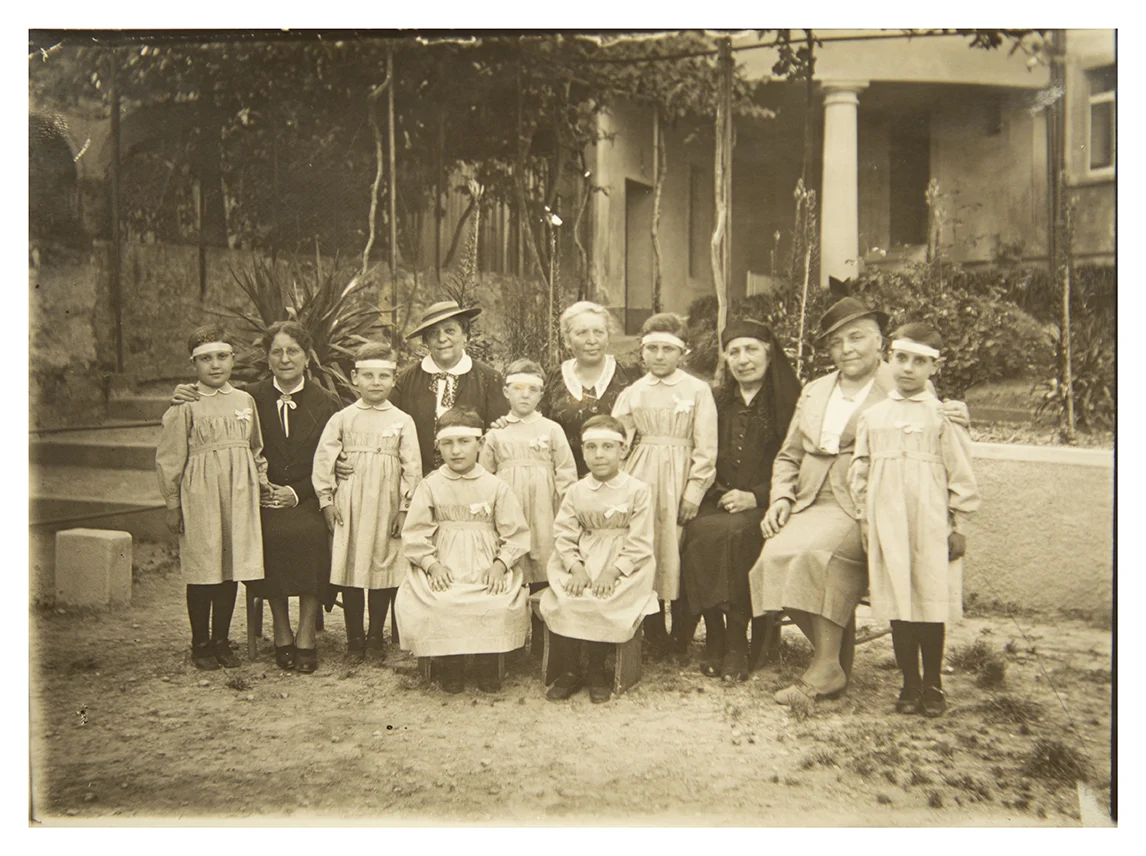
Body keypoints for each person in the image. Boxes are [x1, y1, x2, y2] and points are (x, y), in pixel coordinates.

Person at [749, 296, 970, 705]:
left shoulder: (901, 382)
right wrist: (780, 496)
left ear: (880, 341)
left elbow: (936, 433)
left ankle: (826, 667)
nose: (846, 349)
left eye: (856, 338)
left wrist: (959, 417)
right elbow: (789, 454)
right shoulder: (816, 389)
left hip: (869, 504)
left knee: (818, 556)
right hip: (810, 500)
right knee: (772, 558)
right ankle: (831, 655)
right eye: (836, 343)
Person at [171, 321, 341, 674]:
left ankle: (306, 631)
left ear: (308, 357)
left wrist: (296, 492)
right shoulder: (250, 397)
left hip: (305, 497)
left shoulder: (326, 402)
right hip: (256, 499)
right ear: (267, 358)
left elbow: (334, 458)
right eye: (276, 352)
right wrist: (181, 392)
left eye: (293, 351)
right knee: (266, 536)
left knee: (312, 534)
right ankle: (281, 627)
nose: (285, 359)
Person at [849, 323, 981, 717]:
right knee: (900, 605)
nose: (908, 368)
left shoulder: (942, 417)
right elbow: (860, 472)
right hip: (887, 522)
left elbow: (960, 473)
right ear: (888, 359)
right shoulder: (873, 416)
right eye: (901, 358)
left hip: (931, 523)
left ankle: (934, 683)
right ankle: (909, 682)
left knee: (930, 602)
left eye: (919, 361)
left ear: (934, 368)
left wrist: (959, 526)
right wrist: (865, 519)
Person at [680, 319, 800, 682]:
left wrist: (757, 496)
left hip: (767, 503)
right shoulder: (717, 400)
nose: (743, 359)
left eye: (751, 350)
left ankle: (736, 641)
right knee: (700, 531)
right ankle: (714, 636)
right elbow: (702, 450)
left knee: (738, 535)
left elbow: (797, 461)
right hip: (720, 497)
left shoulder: (790, 402)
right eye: (734, 352)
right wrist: (715, 493)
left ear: (769, 354)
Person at [395, 407, 531, 694]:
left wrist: (500, 565)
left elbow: (515, 534)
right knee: (440, 601)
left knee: (495, 601)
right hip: (445, 563)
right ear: (438, 446)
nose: (456, 451)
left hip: (486, 565)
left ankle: (487, 665)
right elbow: (415, 533)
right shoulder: (430, 485)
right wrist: (432, 565)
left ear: (479, 444)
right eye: (447, 443)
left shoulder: (495, 486)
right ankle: (451, 665)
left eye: (464, 442)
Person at [156, 325, 268, 670]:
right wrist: (172, 503)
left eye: (222, 356)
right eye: (206, 359)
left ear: (233, 359)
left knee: (229, 569)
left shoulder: (245, 400)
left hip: (239, 494)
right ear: (194, 364)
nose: (215, 365)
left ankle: (221, 639)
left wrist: (262, 482)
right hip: (202, 495)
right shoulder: (185, 405)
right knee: (204, 568)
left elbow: (255, 448)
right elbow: (170, 457)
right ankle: (200, 643)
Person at [612, 313, 718, 657]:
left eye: (667, 349)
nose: (659, 356)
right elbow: (617, 441)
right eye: (652, 348)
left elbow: (706, 447)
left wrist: (694, 491)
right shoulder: (633, 392)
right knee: (648, 548)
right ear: (642, 352)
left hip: (680, 474)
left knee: (680, 549)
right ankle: (654, 633)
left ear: (682, 352)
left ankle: (682, 635)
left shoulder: (697, 390)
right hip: (642, 475)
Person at [311, 342, 421, 663]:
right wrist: (326, 500)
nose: (376, 383)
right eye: (368, 376)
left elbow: (412, 468)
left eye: (383, 376)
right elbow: (324, 460)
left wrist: (404, 508)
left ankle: (375, 637)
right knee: (352, 568)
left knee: (381, 568)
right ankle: (354, 639)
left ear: (394, 379)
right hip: (350, 505)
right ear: (354, 378)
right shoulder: (343, 418)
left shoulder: (403, 420)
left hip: (386, 505)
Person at [539, 415, 658, 703]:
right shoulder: (576, 491)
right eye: (591, 447)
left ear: (623, 450)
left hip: (624, 564)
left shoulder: (637, 490)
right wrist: (576, 569)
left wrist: (613, 572)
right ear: (583, 452)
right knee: (569, 596)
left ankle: (596, 670)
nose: (599, 454)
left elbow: (640, 542)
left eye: (608, 446)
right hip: (582, 559)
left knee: (604, 599)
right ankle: (570, 670)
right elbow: (564, 534)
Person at [479, 359, 577, 650]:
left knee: (543, 568)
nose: (525, 395)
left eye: (532, 389)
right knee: (511, 566)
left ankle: (542, 641)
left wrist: (565, 512)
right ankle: (510, 638)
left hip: (545, 510)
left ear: (541, 394)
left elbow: (566, 472)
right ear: (506, 392)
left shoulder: (552, 430)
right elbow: (484, 477)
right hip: (509, 510)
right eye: (518, 388)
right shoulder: (496, 433)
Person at [391, 300, 509, 476]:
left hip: (473, 480)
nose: (442, 339)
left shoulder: (489, 379)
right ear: (426, 341)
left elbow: (498, 435)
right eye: (433, 333)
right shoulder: (407, 380)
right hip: (420, 480)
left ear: (465, 335)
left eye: (450, 330)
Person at [542, 301, 636, 476]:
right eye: (582, 333)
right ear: (568, 340)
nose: (592, 340)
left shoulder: (629, 376)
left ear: (608, 337)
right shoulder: (555, 378)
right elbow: (539, 427)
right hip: (566, 479)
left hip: (620, 479)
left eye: (599, 332)